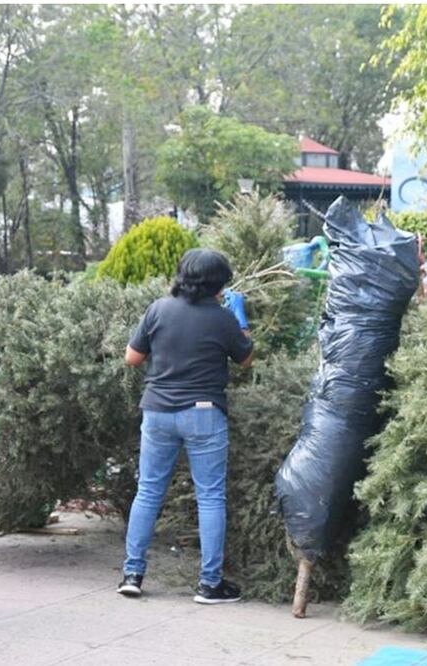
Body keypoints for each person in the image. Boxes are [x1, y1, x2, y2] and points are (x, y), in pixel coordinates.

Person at [118, 248, 254, 604]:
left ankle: (132, 574)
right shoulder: (223, 318)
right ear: (219, 283)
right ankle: (210, 584)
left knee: (148, 491)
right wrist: (240, 319)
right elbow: (246, 360)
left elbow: (132, 358)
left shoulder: (158, 309)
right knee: (209, 497)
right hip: (204, 413)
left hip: (158, 412)